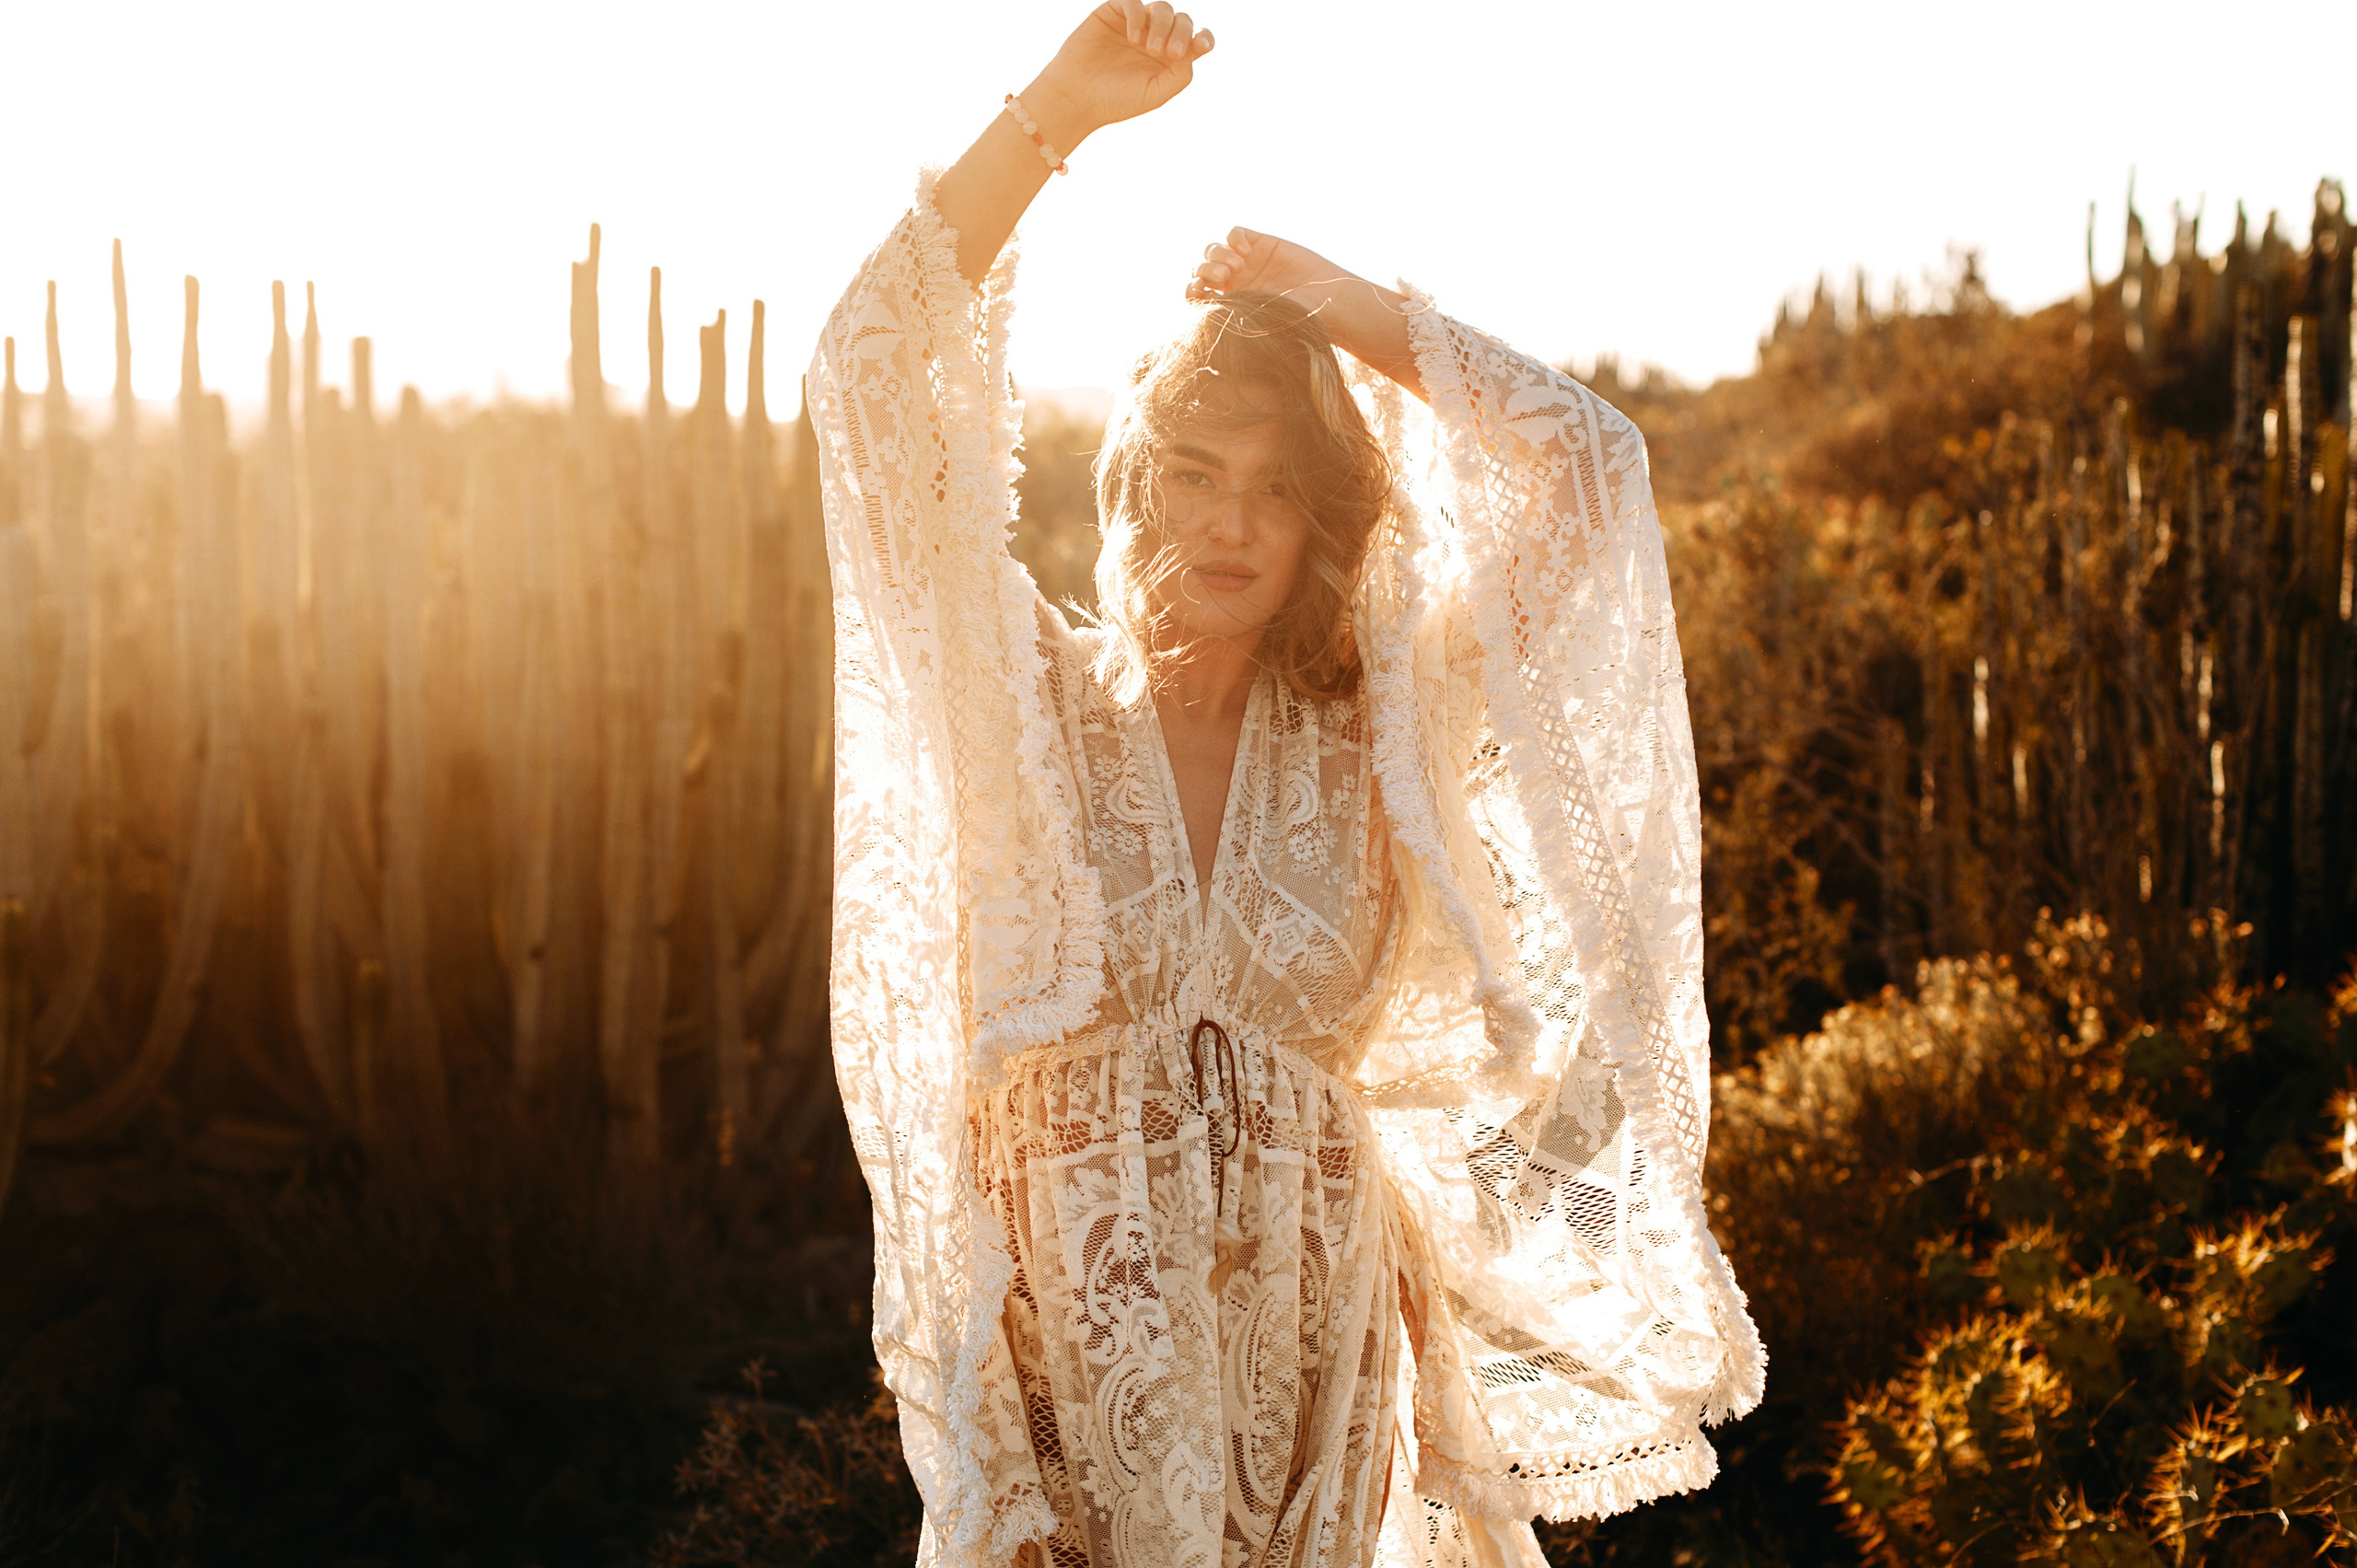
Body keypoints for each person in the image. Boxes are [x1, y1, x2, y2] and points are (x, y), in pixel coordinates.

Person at [809, 6, 1763, 1566]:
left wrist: (1329, 300)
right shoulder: (1026, 699)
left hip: (1311, 1379)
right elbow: (865, 379)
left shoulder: (1382, 721)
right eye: (1196, 471)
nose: (1234, 524)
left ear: (1330, 515)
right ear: (1134, 479)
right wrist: (1056, 113)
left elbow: (1591, 469)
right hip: (1064, 1375)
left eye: (1277, 486)